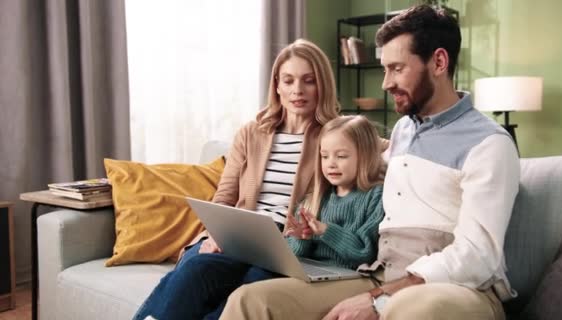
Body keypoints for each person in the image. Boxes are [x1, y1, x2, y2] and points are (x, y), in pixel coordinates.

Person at [220, 5, 520, 320]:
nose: (385, 83)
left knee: (414, 311)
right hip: (379, 274)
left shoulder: (489, 144)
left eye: (397, 68)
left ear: (439, 62)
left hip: (457, 288)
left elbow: (478, 256)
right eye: (384, 69)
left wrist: (378, 300)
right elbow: (348, 164)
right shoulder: (403, 131)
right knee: (251, 300)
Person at [132, 38, 340, 320]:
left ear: (322, 85)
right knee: (194, 270)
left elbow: (381, 146)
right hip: (235, 234)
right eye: (288, 81)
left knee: (247, 291)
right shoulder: (251, 132)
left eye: (308, 81)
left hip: (285, 245)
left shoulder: (335, 135)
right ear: (277, 85)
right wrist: (217, 233)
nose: (297, 90)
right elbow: (225, 196)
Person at [285, 115, 385, 272]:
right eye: (324, 156)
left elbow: (364, 252)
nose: (331, 163)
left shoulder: (376, 196)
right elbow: (294, 253)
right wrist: (302, 238)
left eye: (341, 156)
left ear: (366, 156)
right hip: (309, 271)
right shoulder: (316, 198)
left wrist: (325, 230)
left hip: (347, 275)